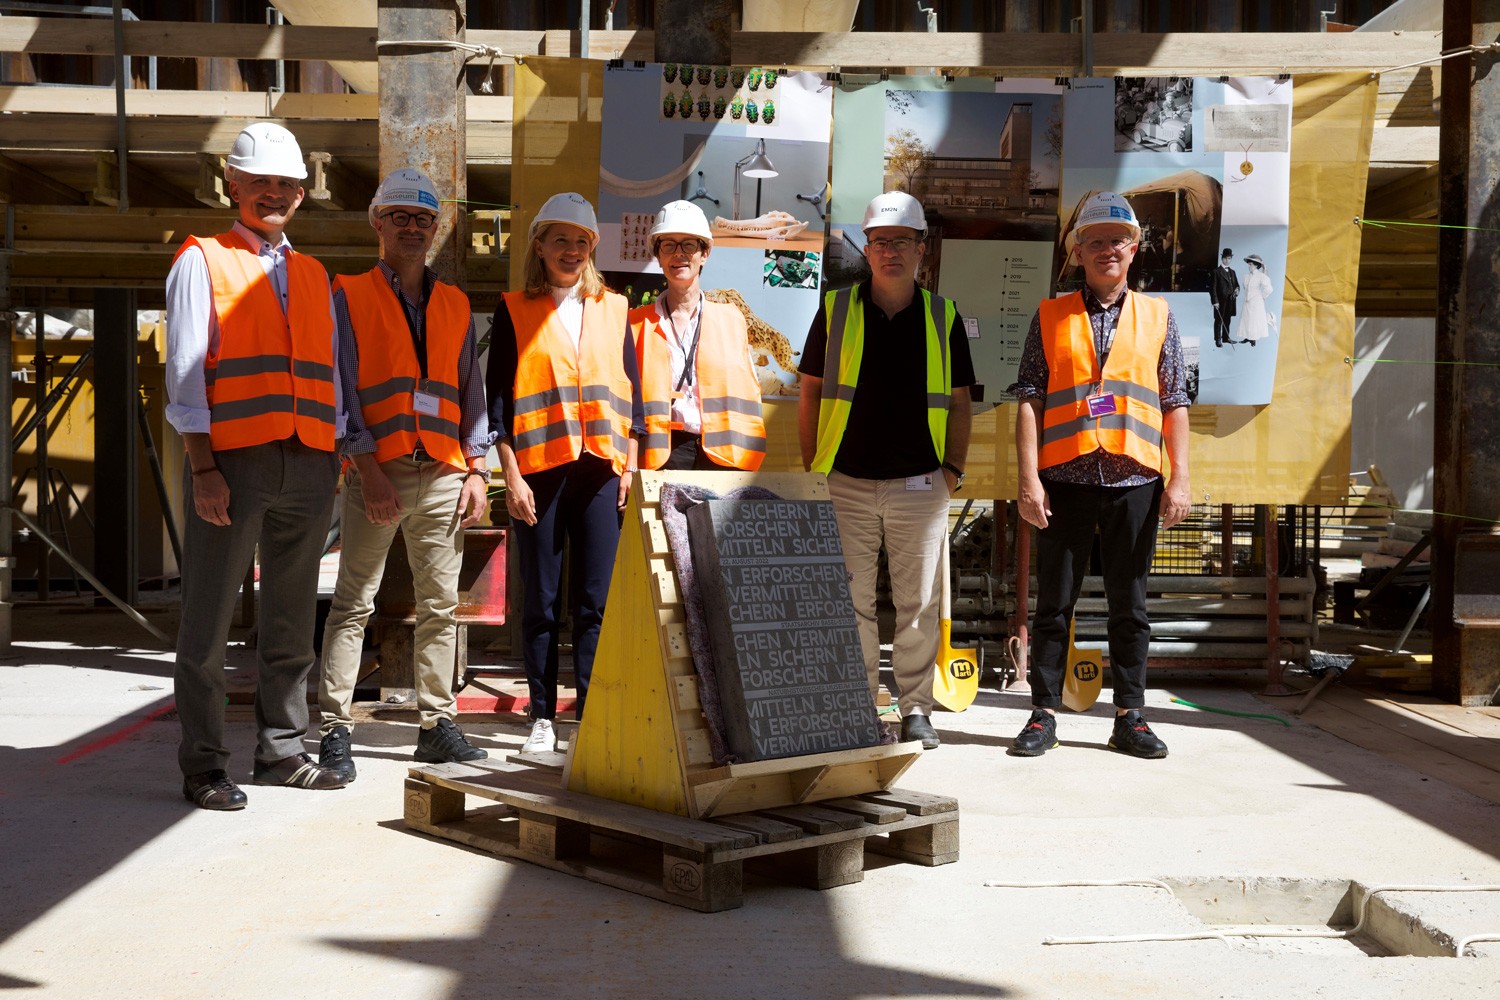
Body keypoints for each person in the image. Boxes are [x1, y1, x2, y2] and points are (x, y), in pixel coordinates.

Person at [164, 121, 347, 810]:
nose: (274, 194)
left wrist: (330, 454)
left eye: (286, 184)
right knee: (208, 622)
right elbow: (185, 374)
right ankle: (205, 765)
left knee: (292, 622)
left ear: (302, 194)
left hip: (307, 460)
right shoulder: (201, 261)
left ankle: (281, 751)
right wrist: (202, 467)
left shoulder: (312, 272)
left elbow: (324, 370)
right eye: (261, 182)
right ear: (232, 185)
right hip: (231, 463)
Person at [316, 169, 493, 782]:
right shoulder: (349, 293)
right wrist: (367, 467)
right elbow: (340, 389)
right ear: (378, 224)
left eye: (422, 220)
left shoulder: (455, 303)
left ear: (436, 229)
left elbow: (471, 391)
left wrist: (477, 467)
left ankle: (437, 728)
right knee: (354, 603)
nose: (411, 229)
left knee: (441, 605)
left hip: (443, 468)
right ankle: (335, 727)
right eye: (399, 218)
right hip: (379, 469)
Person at [1008, 191, 1191, 760]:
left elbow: (1175, 402)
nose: (1106, 249)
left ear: (1133, 250)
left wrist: (1179, 478)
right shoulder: (1050, 314)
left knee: (1129, 605)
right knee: (1053, 603)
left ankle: (1130, 715)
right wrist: (1028, 479)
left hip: (1134, 480)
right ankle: (1043, 714)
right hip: (1063, 479)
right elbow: (1029, 400)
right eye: (1094, 241)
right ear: (1077, 252)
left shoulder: (1158, 316)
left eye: (1117, 240)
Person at [798, 191, 975, 751]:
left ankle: (916, 709)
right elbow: (810, 392)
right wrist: (814, 465)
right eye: (879, 242)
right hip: (847, 479)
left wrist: (953, 471)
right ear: (866, 251)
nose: (890, 251)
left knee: (917, 603)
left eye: (901, 241)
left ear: (922, 248)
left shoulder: (941, 315)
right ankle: (856, 704)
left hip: (921, 483)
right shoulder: (836, 309)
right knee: (851, 602)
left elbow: (962, 401)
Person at [486, 192, 644, 754]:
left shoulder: (616, 308)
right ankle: (543, 718)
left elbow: (633, 394)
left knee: (595, 601)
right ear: (539, 246)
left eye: (581, 241)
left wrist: (627, 465)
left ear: (592, 248)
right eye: (561, 240)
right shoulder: (515, 308)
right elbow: (498, 402)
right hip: (540, 473)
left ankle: (592, 716)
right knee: (543, 601)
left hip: (600, 471)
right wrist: (512, 477)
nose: (571, 250)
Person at [630, 200, 765, 472]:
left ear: (704, 254)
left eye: (689, 245)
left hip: (725, 455)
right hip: (662, 453)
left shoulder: (731, 319)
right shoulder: (635, 323)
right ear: (658, 255)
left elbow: (748, 391)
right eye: (668, 245)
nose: (678, 254)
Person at [1237, 254, 1274, 346]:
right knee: (1246, 319)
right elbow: (1245, 287)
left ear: (1256, 265)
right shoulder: (1246, 276)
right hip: (1247, 301)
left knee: (1254, 320)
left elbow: (1269, 289)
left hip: (1256, 302)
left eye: (1251, 265)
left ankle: (1253, 339)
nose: (1249, 266)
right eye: (1248, 264)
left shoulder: (1261, 276)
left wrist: (1262, 297)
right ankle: (1247, 337)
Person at [1211, 247, 1239, 347]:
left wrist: (1237, 290)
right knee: (1219, 320)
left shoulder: (1233, 272)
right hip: (1220, 301)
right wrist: (1215, 301)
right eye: (1226, 258)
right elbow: (1213, 288)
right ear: (1222, 258)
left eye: (1229, 258)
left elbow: (1237, 285)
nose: (1227, 261)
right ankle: (1218, 340)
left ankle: (1226, 338)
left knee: (1228, 319)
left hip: (1231, 300)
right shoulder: (1216, 272)